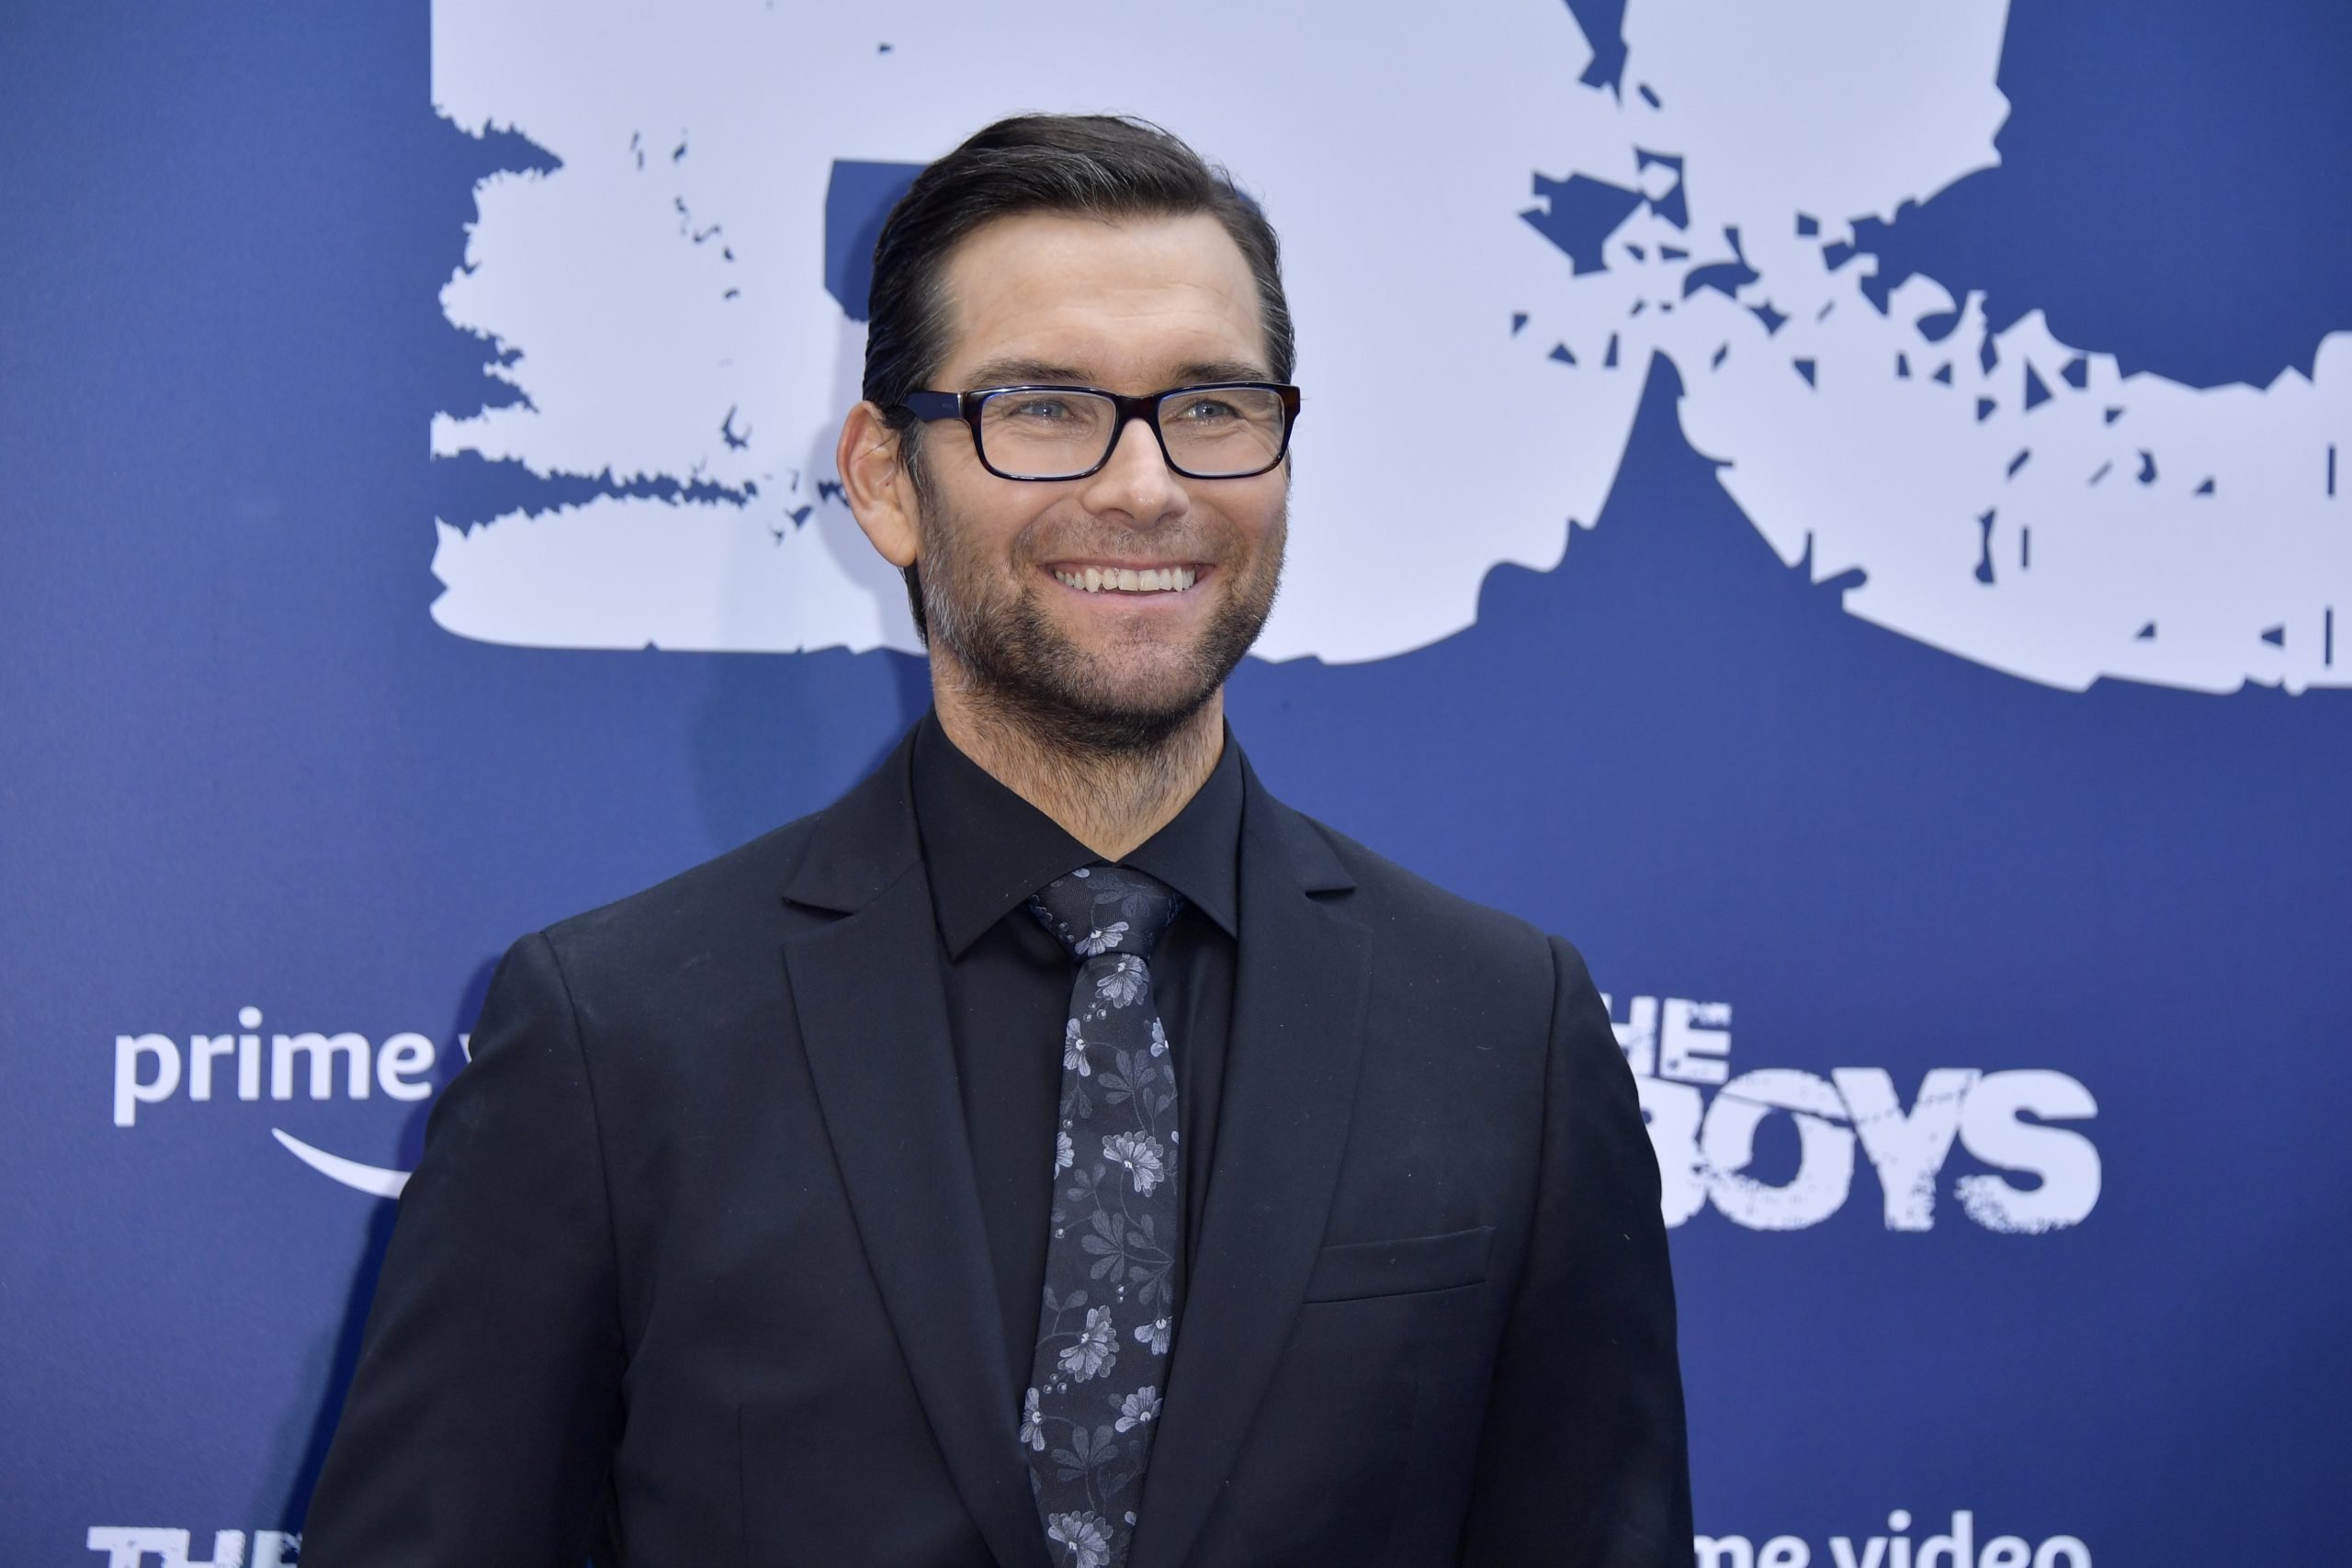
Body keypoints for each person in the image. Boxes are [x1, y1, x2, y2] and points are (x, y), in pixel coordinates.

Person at [303, 113, 1690, 1568]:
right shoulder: (614, 1035)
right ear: (888, 479)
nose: (1147, 485)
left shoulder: (1504, 1030)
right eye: (1043, 407)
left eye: (1211, 405)